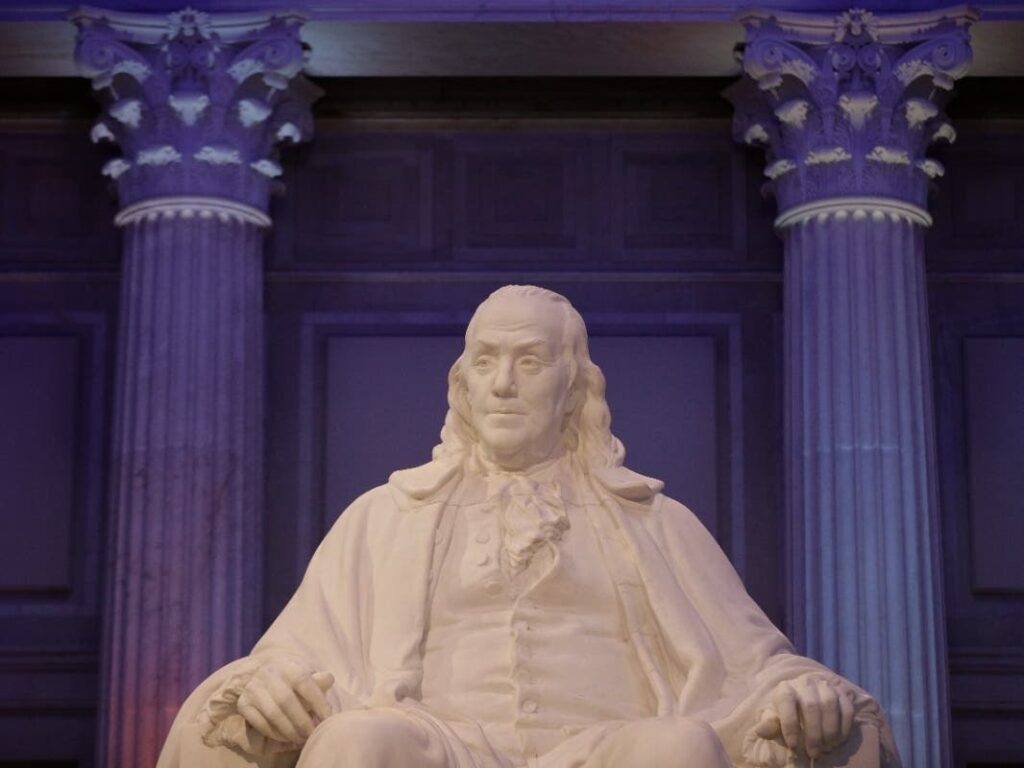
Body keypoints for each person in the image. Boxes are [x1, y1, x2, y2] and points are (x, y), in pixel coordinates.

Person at [158, 285, 899, 768]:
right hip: (438, 749)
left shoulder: (655, 523)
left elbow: (758, 664)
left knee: (679, 746)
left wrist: (806, 694)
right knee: (358, 737)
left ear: (574, 388)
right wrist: (264, 686)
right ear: (463, 383)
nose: (504, 383)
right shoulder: (384, 517)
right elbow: (287, 658)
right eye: (486, 362)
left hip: (608, 751)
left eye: (530, 361)